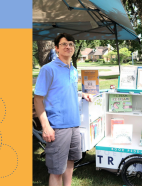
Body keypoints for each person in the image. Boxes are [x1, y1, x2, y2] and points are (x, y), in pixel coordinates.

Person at [34, 33, 93, 186]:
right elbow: (38, 99)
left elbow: (66, 90)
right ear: (56, 48)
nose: (68, 46)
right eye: (64, 44)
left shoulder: (73, 70)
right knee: (56, 171)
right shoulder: (48, 69)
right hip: (58, 127)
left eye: (71, 44)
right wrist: (46, 126)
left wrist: (82, 95)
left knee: (70, 162)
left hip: (74, 124)